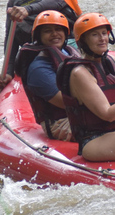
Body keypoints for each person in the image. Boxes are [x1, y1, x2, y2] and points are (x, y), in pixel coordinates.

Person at [56, 13, 115, 162]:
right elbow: (108, 114)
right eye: (95, 35)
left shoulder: (112, 61)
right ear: (83, 40)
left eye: (104, 33)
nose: (102, 38)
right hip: (95, 140)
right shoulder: (80, 73)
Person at [14, 10, 79, 141]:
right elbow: (66, 103)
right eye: (48, 31)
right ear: (39, 36)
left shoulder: (69, 51)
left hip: (81, 113)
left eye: (58, 29)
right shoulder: (39, 69)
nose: (54, 34)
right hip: (61, 123)